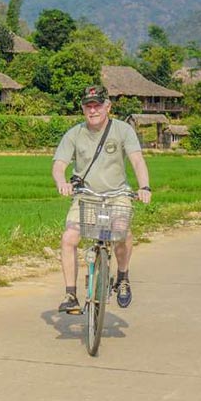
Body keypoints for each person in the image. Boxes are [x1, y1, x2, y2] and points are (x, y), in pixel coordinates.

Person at [52, 85, 152, 314]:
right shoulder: (74, 134)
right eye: (89, 105)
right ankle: (70, 293)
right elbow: (59, 165)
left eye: (98, 105)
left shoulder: (123, 130)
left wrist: (144, 186)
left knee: (122, 231)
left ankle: (123, 276)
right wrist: (62, 182)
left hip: (118, 194)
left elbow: (136, 160)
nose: (93, 110)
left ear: (108, 107)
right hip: (86, 194)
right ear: (83, 109)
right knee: (69, 237)